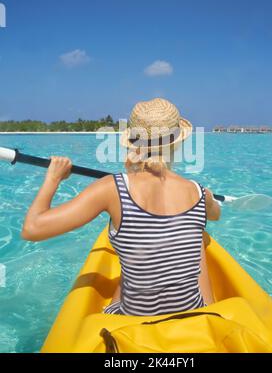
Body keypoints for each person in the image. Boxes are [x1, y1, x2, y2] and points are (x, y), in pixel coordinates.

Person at [22, 98, 221, 316]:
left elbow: (32, 229)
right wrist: (207, 199)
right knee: (199, 235)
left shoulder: (112, 188)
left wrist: (53, 178)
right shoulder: (199, 191)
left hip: (134, 318)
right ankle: (207, 309)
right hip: (193, 312)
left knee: (133, 251)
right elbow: (215, 215)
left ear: (134, 142)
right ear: (177, 142)